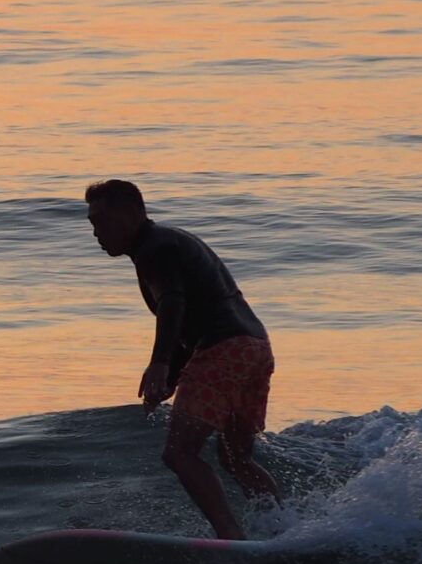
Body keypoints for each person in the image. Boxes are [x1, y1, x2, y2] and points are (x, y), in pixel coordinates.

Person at [85, 179, 283, 538]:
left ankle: (231, 539)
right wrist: (173, 376)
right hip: (253, 347)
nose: (96, 232)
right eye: (91, 224)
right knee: (236, 457)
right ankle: (281, 528)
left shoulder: (153, 250)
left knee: (179, 454)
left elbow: (173, 304)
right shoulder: (170, 242)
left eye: (101, 221)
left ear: (131, 213)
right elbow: (190, 314)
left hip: (222, 350)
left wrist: (159, 363)